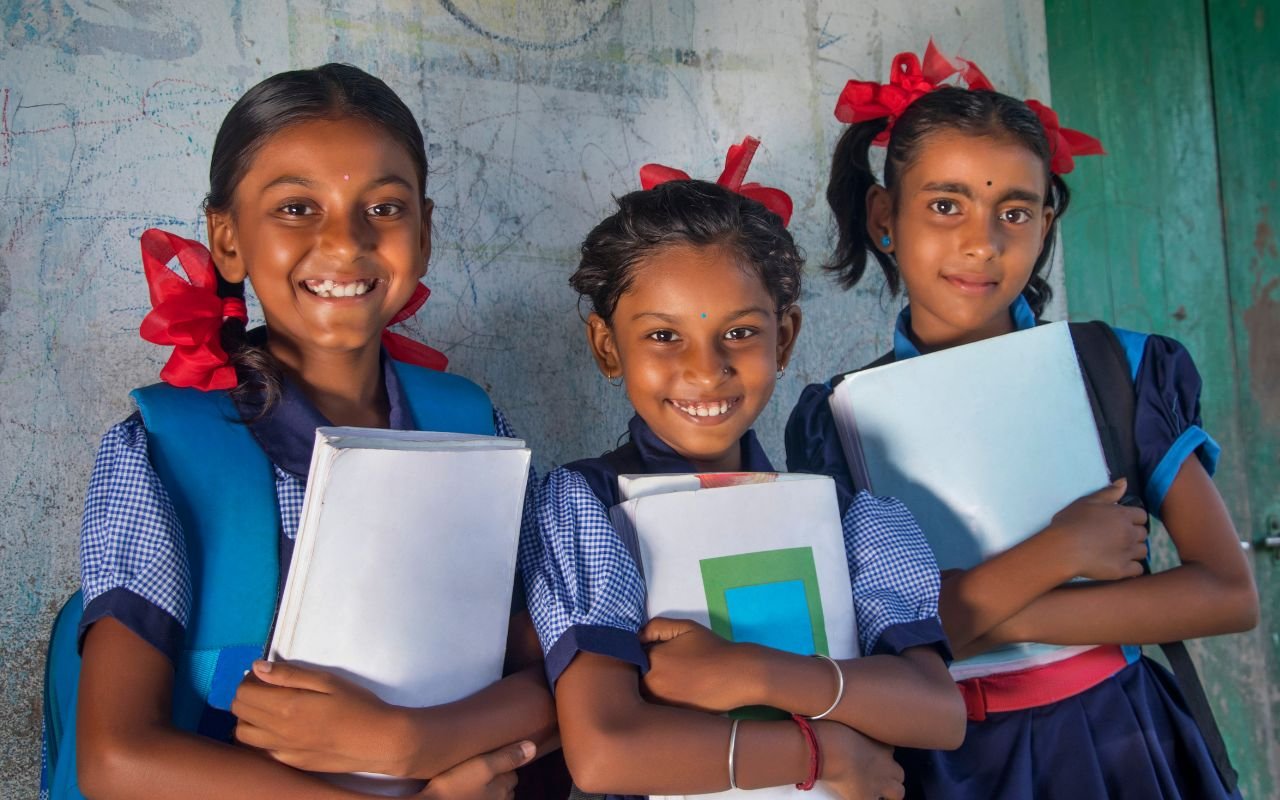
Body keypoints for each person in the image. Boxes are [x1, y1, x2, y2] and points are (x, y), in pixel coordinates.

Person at [60, 64, 556, 800]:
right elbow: (117, 759)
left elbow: (570, 672)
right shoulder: (164, 451)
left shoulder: (475, 427)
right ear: (226, 242)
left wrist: (413, 742)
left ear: (424, 236)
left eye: (384, 208)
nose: (345, 240)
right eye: (296, 207)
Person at [785, 41, 1259, 799]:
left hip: (1123, 741)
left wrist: (967, 617)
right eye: (946, 206)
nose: (983, 242)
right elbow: (867, 645)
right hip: (947, 765)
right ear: (885, 216)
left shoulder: (1120, 369)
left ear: (1046, 224)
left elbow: (1226, 593)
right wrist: (1059, 550)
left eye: (1015, 211)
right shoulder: (840, 419)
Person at [519, 139, 965, 800]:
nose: (706, 370)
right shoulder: (587, 509)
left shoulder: (842, 514)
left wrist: (753, 672)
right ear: (608, 348)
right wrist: (823, 754)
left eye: (740, 333)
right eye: (664, 336)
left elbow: (938, 712)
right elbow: (606, 752)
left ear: (784, 338)